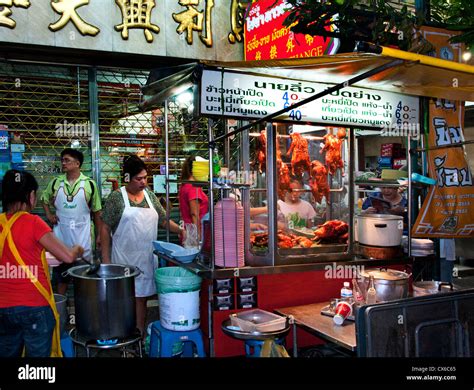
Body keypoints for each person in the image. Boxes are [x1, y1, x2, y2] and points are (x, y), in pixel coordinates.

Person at [0, 170, 83, 357]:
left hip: (3, 308)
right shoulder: (33, 222)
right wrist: (77, 249)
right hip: (34, 307)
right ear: (31, 196)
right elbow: (67, 257)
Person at [101, 155, 184, 336]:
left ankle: (138, 335)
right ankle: (121, 333)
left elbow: (163, 220)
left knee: (142, 299)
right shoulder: (117, 197)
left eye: (145, 177)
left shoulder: (149, 196)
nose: (144, 182)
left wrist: (181, 231)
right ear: (127, 178)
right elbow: (105, 228)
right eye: (139, 179)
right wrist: (106, 260)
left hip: (146, 258)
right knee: (125, 299)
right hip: (123, 259)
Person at [41, 148, 102, 295]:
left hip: (84, 237)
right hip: (61, 235)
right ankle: (61, 307)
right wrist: (49, 214)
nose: (63, 163)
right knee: (61, 278)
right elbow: (43, 198)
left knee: (85, 277)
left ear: (77, 163)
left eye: (67, 160)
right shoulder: (56, 182)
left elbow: (97, 212)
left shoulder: (90, 184)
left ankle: (86, 305)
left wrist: (99, 235)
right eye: (62, 160)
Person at [178, 156, 209, 241]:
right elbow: (194, 214)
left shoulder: (185, 184)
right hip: (193, 234)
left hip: (187, 231)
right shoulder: (194, 187)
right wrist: (198, 237)